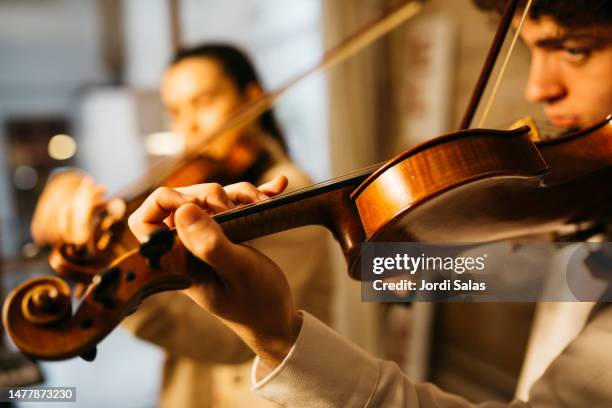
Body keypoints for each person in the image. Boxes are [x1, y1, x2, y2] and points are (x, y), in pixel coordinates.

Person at [126, 1, 612, 406]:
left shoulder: (286, 183)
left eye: (574, 48)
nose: (537, 89)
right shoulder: (590, 194)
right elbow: (569, 272)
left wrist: (276, 335)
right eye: (531, 53)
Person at [31, 44, 335, 407]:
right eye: (176, 111)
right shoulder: (202, 188)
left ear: (252, 99)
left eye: (203, 102)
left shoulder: (288, 190)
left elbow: (228, 338)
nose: (189, 125)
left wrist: (123, 279)